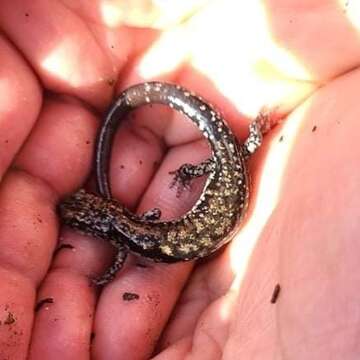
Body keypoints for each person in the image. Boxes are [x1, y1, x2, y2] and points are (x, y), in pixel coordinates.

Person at [0, 1, 358, 359]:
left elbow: (117, 261)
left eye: (82, 217)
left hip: (226, 172)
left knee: (226, 157)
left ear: (104, 225)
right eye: (82, 215)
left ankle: (234, 145)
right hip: (225, 172)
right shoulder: (135, 229)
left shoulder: (132, 238)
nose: (79, 217)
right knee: (225, 157)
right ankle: (235, 144)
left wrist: (107, 275)